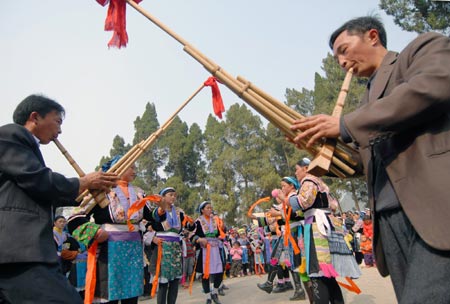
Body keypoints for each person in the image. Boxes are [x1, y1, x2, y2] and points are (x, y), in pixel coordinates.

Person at [291, 16, 450, 303]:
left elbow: (432, 88)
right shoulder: (365, 103)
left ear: (372, 36)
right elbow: (364, 163)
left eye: (344, 49)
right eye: (336, 56)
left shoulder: (421, 50)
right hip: (389, 221)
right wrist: (328, 153)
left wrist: (345, 125)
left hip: (434, 209)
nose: (341, 61)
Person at [0, 94, 118, 304]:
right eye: (57, 121)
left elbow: (41, 192)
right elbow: (36, 179)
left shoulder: (27, 148)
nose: (60, 130)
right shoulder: (11, 134)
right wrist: (83, 182)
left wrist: (86, 192)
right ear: (35, 117)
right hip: (20, 253)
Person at [144, 187, 187, 304]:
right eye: (170, 195)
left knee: (174, 282)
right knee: (163, 282)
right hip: (163, 248)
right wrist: (153, 238)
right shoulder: (156, 212)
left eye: (174, 195)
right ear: (162, 197)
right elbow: (145, 228)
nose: (173, 197)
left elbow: (182, 230)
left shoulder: (179, 213)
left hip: (175, 249)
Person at [191, 201, 225, 304]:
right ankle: (208, 297)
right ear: (202, 210)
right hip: (204, 249)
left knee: (220, 271)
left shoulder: (215, 221)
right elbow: (191, 235)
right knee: (205, 274)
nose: (210, 210)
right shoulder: (197, 222)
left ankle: (214, 292)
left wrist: (221, 236)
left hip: (215, 249)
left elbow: (219, 233)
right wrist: (199, 240)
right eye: (208, 208)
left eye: (211, 208)